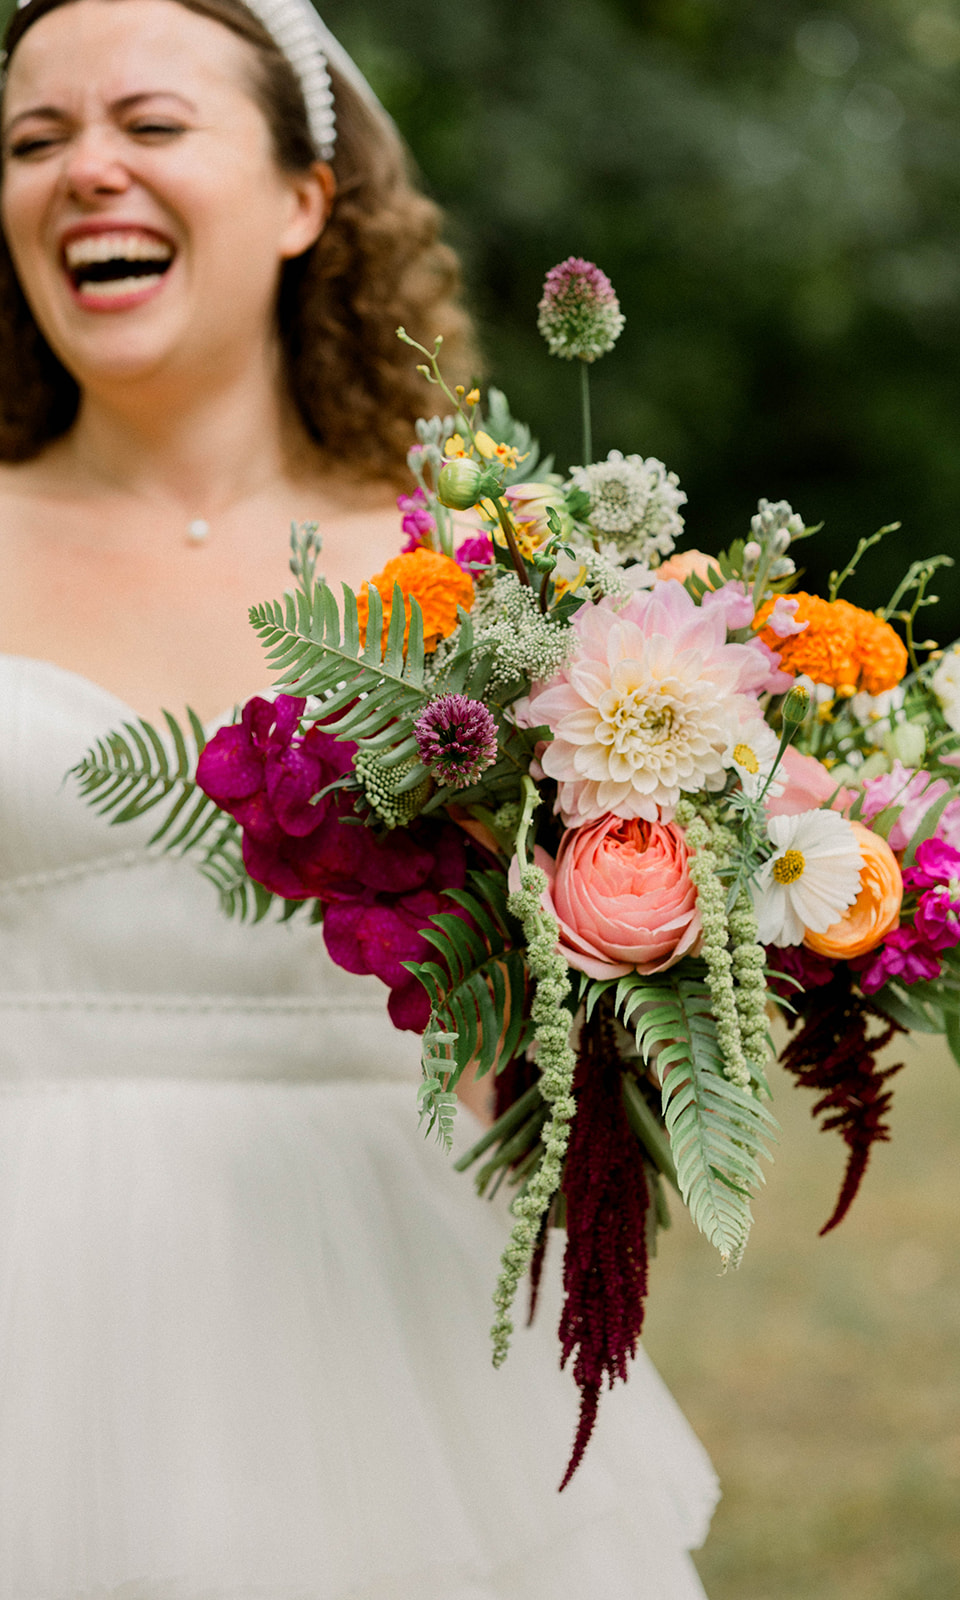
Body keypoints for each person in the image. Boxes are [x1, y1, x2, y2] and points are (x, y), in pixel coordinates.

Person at [0, 0, 719, 1593]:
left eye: (150, 125)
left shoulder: (481, 570)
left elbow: (580, 994)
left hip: (380, 1302)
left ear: (304, 197)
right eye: (33, 141)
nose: (84, 173)